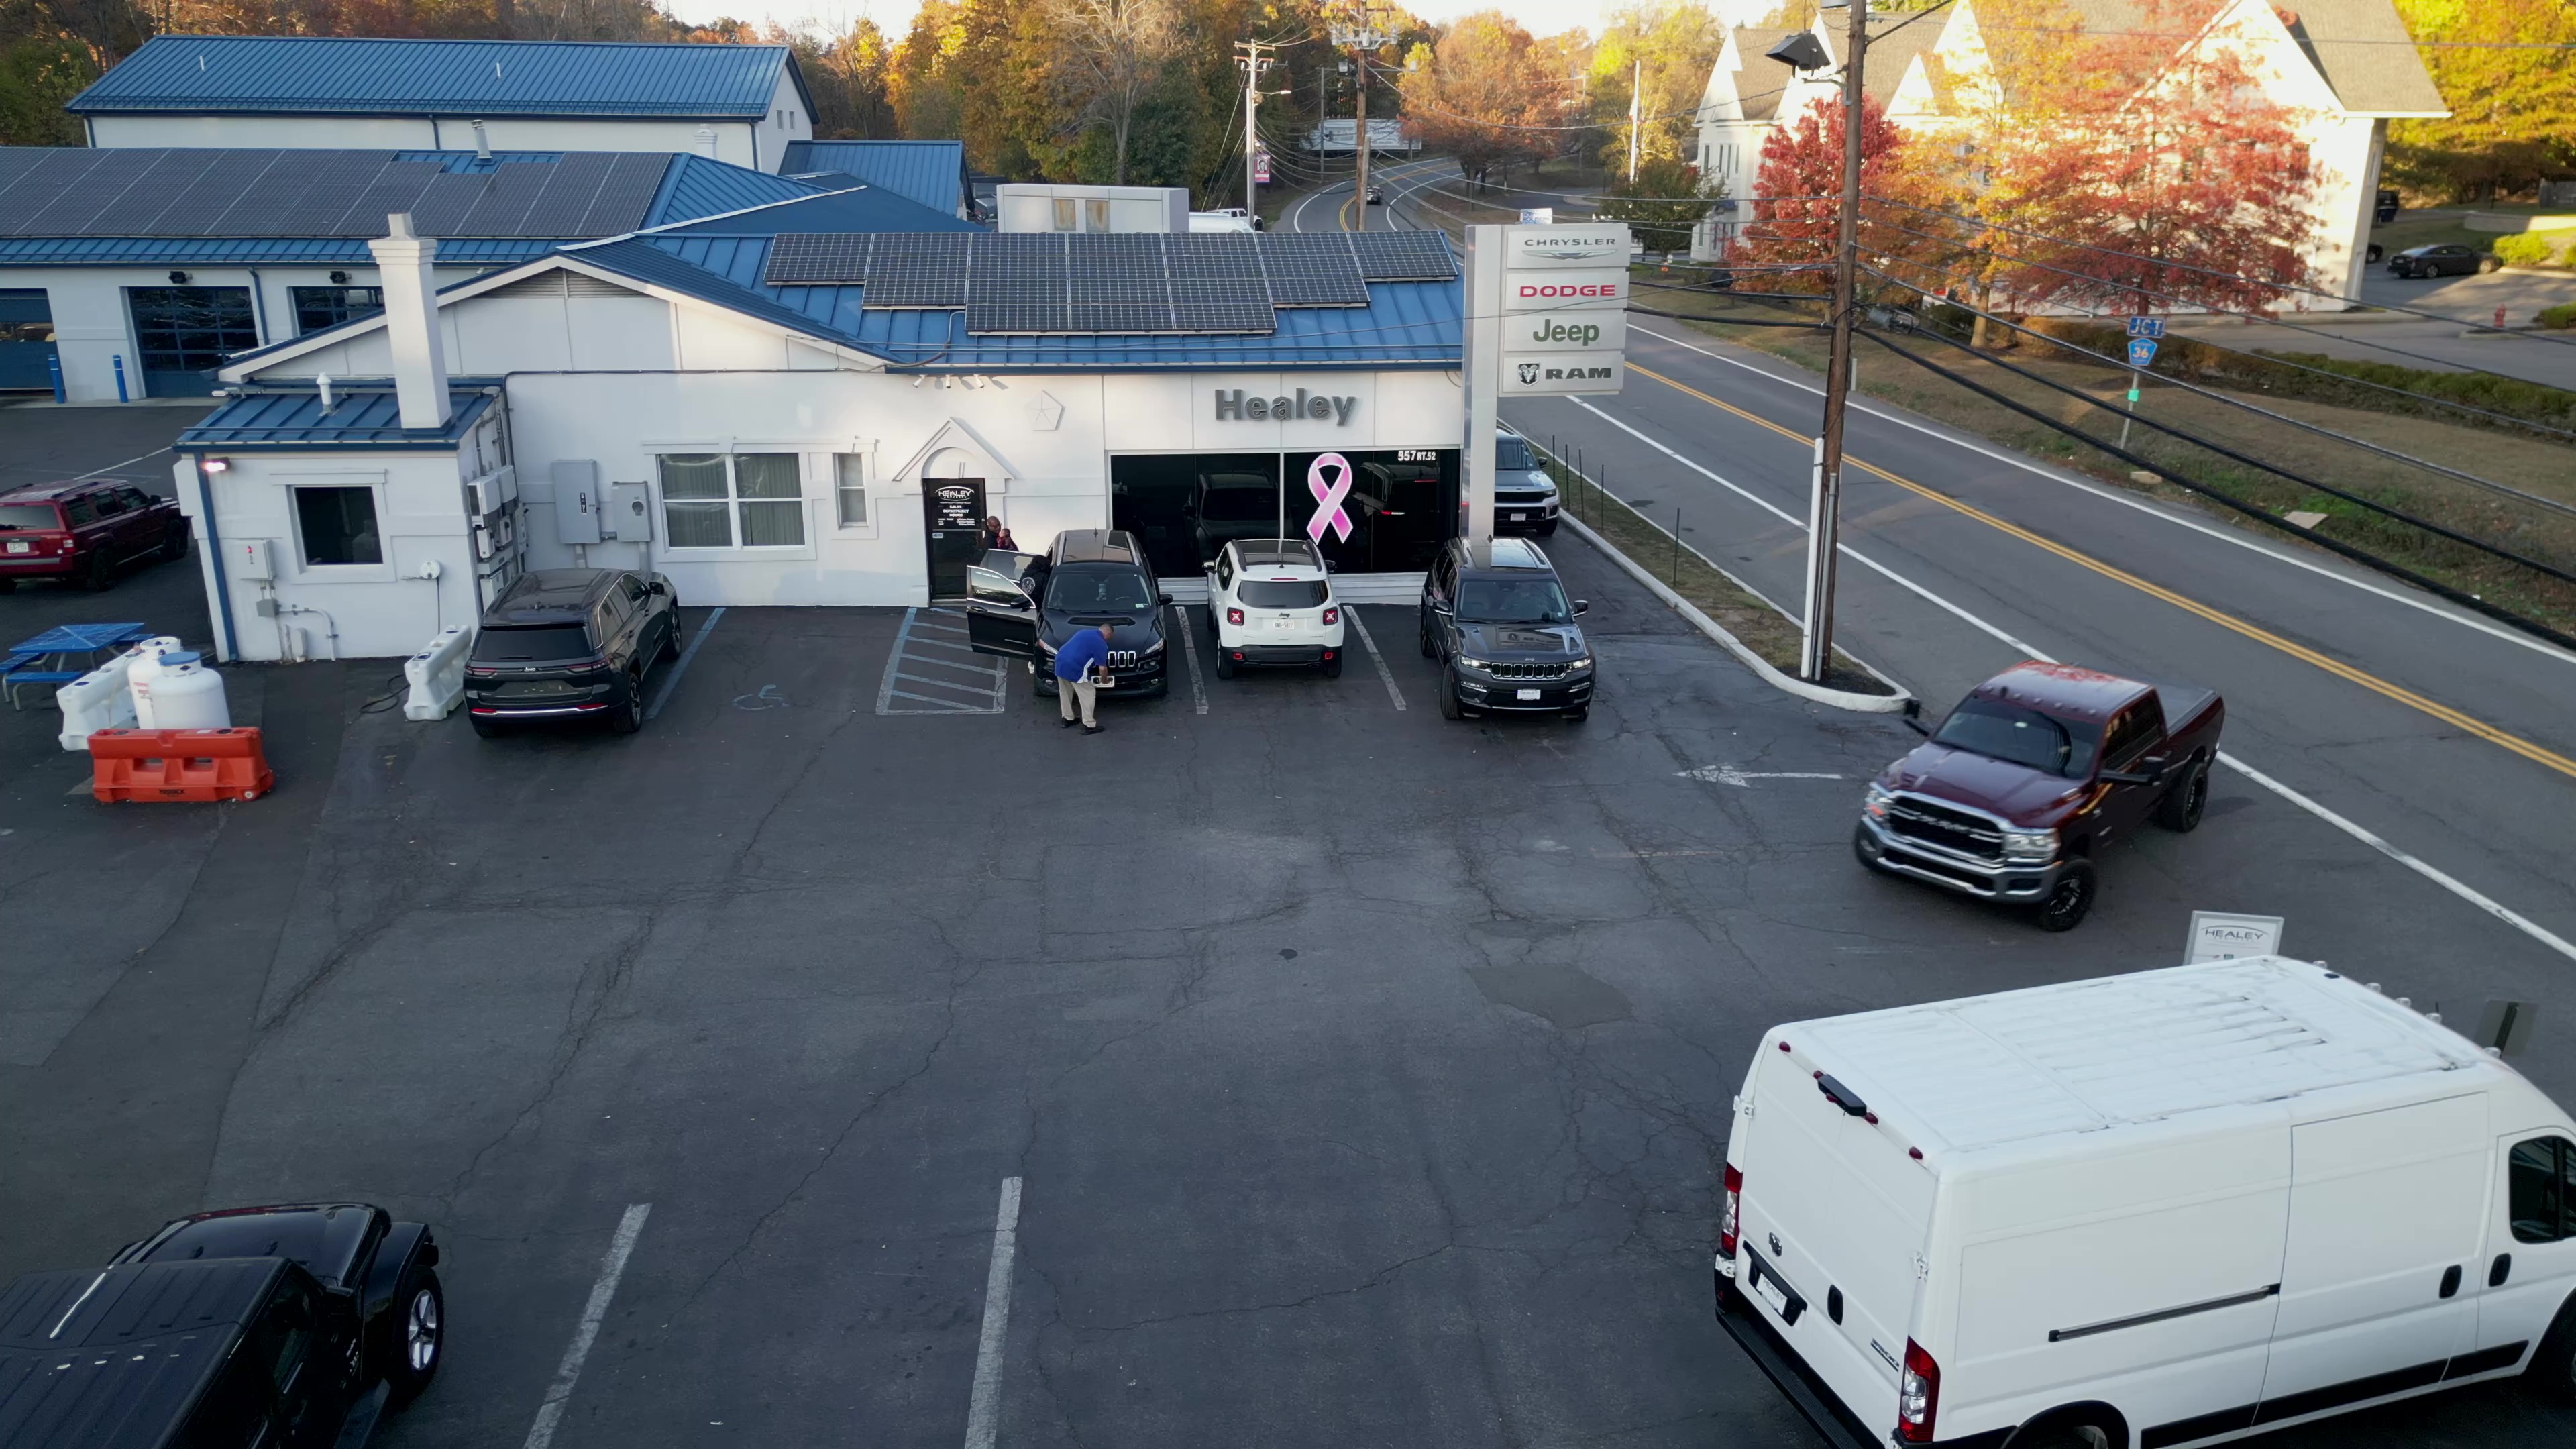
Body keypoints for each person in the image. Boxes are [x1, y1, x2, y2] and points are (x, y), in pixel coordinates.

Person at [1054, 622, 1111, 734]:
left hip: (1060, 662)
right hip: (1075, 668)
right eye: (1110, 637)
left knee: (1065, 692)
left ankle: (1067, 719)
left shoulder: (1082, 632)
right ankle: (1089, 725)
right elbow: (1103, 669)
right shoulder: (1100, 643)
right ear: (1108, 633)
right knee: (1088, 693)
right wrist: (1104, 680)